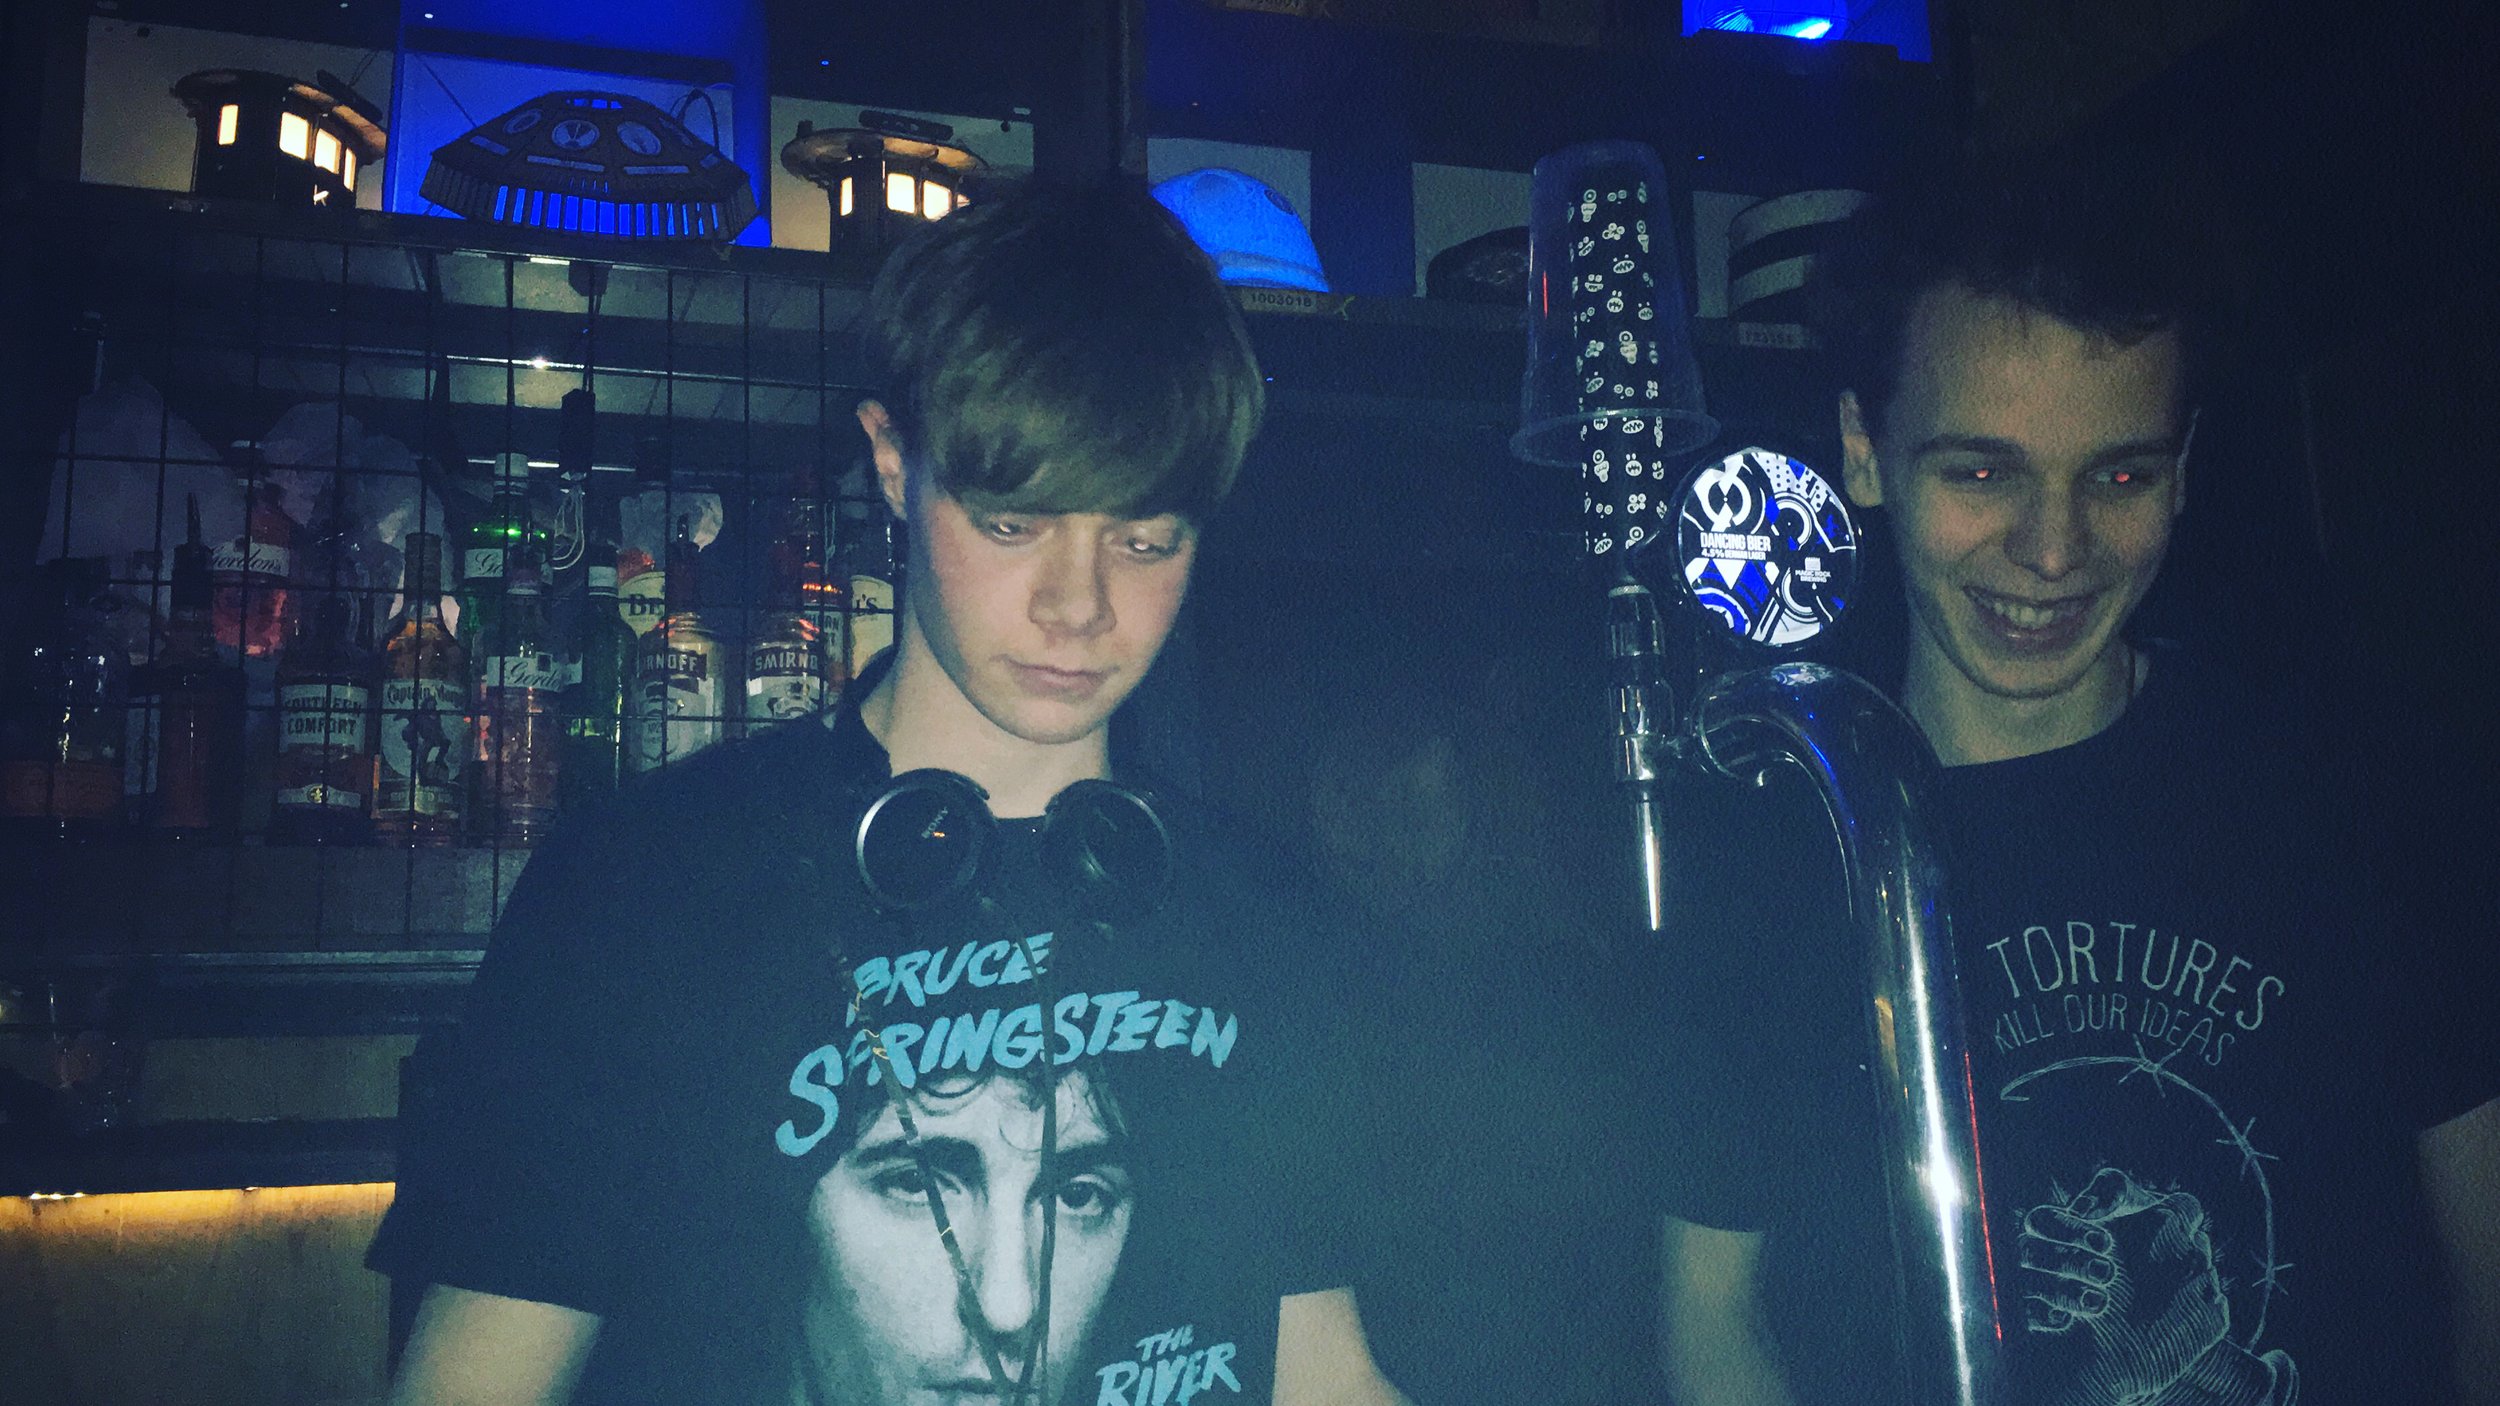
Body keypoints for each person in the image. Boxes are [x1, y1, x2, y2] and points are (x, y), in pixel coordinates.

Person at [370, 178, 1412, 1406]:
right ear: (890, 459)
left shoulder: (1265, 908)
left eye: (1146, 539)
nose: (1080, 607)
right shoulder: (650, 886)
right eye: (1015, 523)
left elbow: (1319, 1370)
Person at [1650, 161, 2500, 1405]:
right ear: (1862, 450)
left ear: (2183, 465)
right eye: (1982, 471)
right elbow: (1714, 1323)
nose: (2054, 550)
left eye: (2118, 475)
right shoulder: (1776, 851)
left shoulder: (2346, 782)